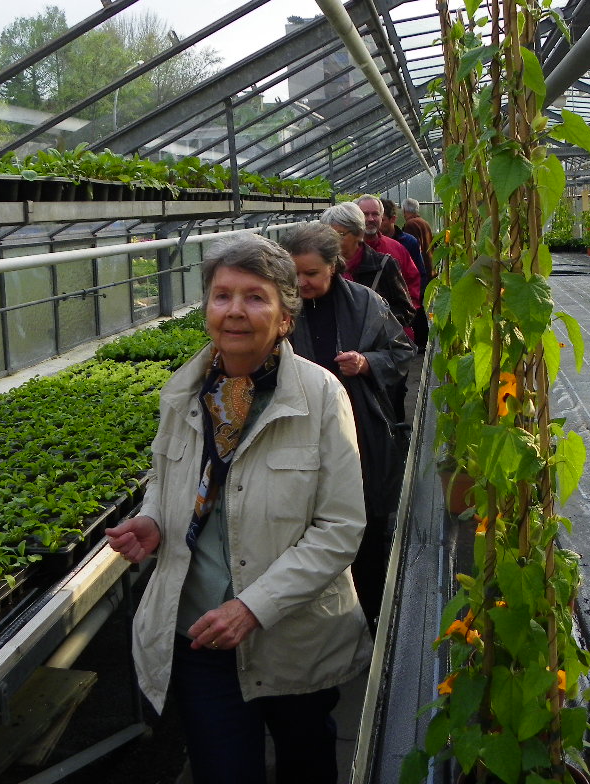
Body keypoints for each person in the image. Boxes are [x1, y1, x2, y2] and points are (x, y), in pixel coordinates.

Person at [106, 233, 371, 784]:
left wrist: (254, 606)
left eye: (255, 297)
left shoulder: (321, 397)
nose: (234, 311)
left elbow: (339, 528)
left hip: (294, 632)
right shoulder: (183, 393)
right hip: (201, 630)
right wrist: (153, 520)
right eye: (222, 295)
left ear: (284, 317)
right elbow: (167, 478)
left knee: (305, 761)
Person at [282, 222, 414, 631]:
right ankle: (315, 617)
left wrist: (367, 362)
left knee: (364, 516)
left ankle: (368, 611)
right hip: (297, 429)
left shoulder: (365, 302)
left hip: (359, 428)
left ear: (334, 266)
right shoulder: (279, 305)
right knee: (304, 520)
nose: (301, 283)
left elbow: (401, 351)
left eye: (311, 273)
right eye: (294, 273)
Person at [319, 202, 415, 330]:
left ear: (358, 234)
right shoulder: (322, 267)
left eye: (340, 234)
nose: (332, 240)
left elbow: (406, 311)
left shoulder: (383, 265)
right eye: (328, 234)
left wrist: (373, 321)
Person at [355, 194, 422, 312]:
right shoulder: (348, 248)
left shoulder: (397, 248)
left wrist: (405, 313)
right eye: (365, 214)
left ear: (381, 217)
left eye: (375, 214)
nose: (370, 219)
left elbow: (413, 281)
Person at [401, 198, 435, 352]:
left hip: (420, 270)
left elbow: (412, 249)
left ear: (405, 211)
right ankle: (424, 339)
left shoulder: (410, 225)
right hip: (430, 267)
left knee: (417, 308)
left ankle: (421, 341)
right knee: (423, 307)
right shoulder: (424, 223)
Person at [380, 198, 429, 288]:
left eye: (382, 220)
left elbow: (417, 274)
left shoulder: (410, 228)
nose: (378, 223)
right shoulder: (424, 222)